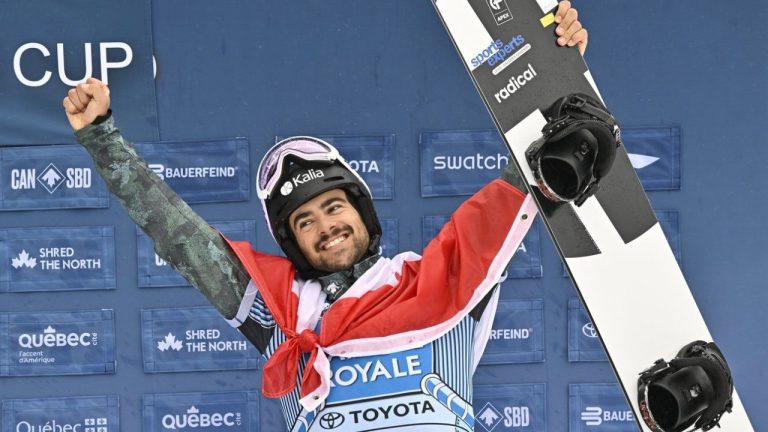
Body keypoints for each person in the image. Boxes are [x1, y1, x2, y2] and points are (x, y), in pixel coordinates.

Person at [63, 3, 588, 430]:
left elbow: (526, 182)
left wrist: (557, 73)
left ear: (361, 211)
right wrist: (102, 138)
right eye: (305, 221)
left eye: (334, 207)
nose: (326, 226)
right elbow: (180, 238)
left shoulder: (441, 283)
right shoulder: (282, 316)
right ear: (292, 243)